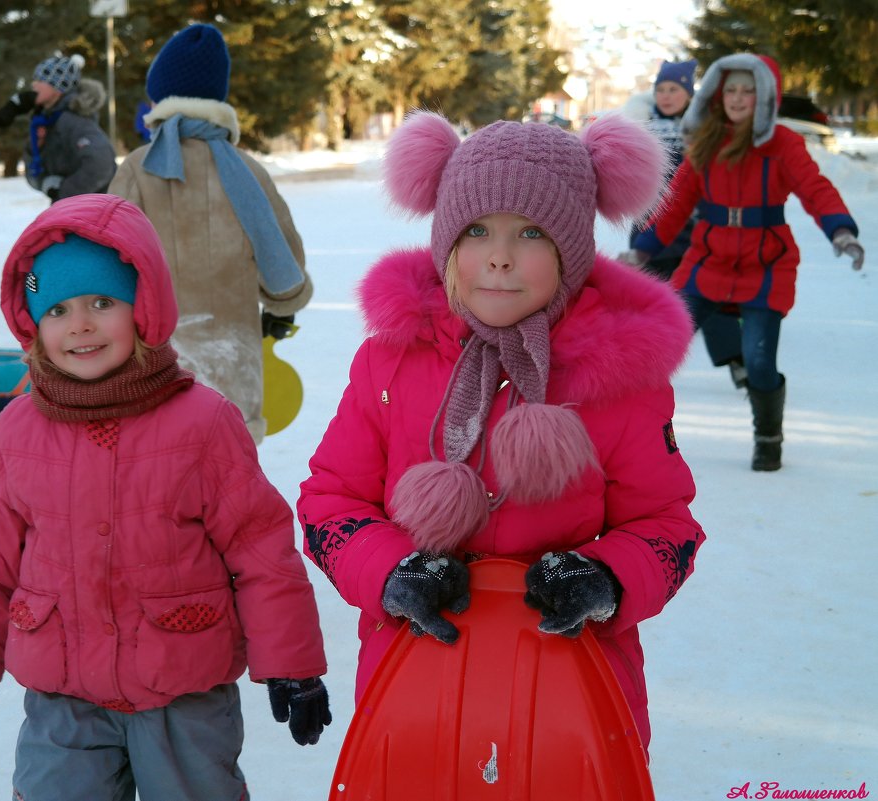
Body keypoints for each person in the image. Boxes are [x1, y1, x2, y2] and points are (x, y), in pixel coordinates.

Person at [297, 111, 706, 757]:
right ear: (445, 241)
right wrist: (389, 571)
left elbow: (665, 524)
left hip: (568, 696)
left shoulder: (619, 378)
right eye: (477, 229)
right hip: (417, 684)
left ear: (571, 250)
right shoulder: (392, 358)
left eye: (532, 232)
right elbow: (331, 499)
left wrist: (604, 578)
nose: (499, 255)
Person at [0, 193, 331, 801]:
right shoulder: (17, 432)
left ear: (145, 309)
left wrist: (292, 664)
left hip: (183, 690)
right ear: (33, 325)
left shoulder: (203, 424)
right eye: (57, 309)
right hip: (63, 696)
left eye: (102, 303)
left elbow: (260, 552)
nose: (80, 325)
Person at [628, 53, 865, 471]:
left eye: (748, 90)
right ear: (719, 95)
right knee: (662, 343)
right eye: (730, 90)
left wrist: (840, 230)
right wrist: (643, 248)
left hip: (766, 263)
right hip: (708, 258)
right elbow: (678, 202)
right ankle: (637, 436)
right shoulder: (706, 142)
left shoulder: (784, 145)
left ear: (766, 97)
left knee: (758, 360)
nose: (738, 98)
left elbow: (815, 189)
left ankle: (768, 436)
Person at [109, 23, 312, 445]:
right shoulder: (247, 170)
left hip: (156, 353)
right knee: (230, 464)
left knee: (161, 459)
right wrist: (281, 304)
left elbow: (111, 251)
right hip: (234, 354)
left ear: (161, 95)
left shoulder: (138, 169)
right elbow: (283, 251)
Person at [622, 59, 749, 390]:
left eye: (673, 89)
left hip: (696, 228)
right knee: (652, 298)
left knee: (709, 295)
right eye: (660, 89)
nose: (666, 96)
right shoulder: (640, 126)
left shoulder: (703, 129)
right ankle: (648, 365)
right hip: (651, 225)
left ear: (689, 94)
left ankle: (738, 361)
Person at [14, 53, 118, 202]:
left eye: (40, 80)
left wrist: (64, 192)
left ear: (58, 87)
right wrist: (34, 151)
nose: (34, 84)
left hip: (91, 212)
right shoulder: (47, 120)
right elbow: (36, 170)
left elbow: (101, 165)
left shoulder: (75, 121)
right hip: (73, 211)